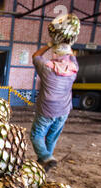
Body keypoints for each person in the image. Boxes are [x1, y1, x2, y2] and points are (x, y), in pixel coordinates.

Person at [30, 43, 79, 172]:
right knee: (52, 137)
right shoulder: (74, 69)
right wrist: (68, 43)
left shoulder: (47, 68)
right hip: (64, 110)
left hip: (47, 109)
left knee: (36, 135)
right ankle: (43, 164)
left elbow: (36, 56)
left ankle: (46, 157)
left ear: (55, 54)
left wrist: (49, 44)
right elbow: (72, 56)